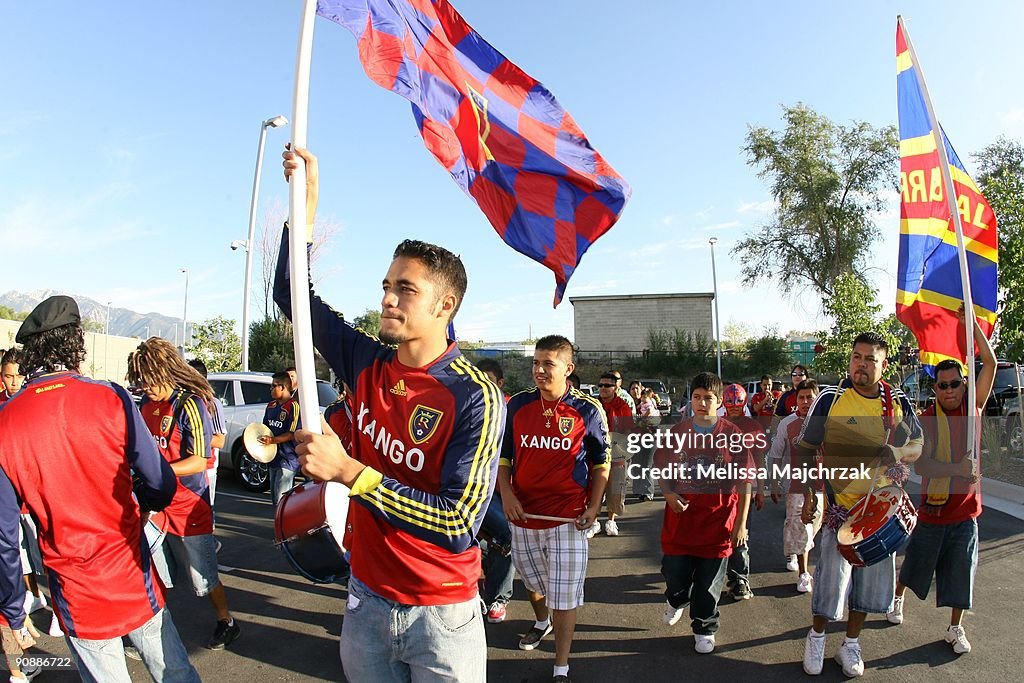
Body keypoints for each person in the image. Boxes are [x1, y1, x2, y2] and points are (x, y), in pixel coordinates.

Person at [277, 146, 505, 682]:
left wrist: (349, 473)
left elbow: (456, 523)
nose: (388, 299)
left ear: (444, 306)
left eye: (406, 289)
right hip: (366, 601)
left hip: (442, 615)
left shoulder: (474, 396)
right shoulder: (365, 361)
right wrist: (304, 208)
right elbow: (293, 297)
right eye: (386, 286)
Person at [0, 295, 199, 682]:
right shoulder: (111, 397)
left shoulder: (5, 421)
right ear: (77, 343)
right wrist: (144, 503)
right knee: (174, 672)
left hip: (73, 586)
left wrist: (11, 606)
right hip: (129, 570)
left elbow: (5, 537)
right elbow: (160, 482)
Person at [796, 332, 923, 677]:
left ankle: (850, 644)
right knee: (829, 582)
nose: (861, 365)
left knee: (868, 585)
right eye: (857, 357)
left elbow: (919, 444)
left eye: (870, 359)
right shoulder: (830, 399)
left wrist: (897, 452)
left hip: (878, 512)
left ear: (884, 365)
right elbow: (805, 448)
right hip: (840, 508)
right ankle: (818, 637)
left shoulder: (895, 399)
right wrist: (810, 494)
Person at [498, 335, 609, 683]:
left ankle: (561, 665)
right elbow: (503, 459)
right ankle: (540, 621)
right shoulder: (516, 405)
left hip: (567, 519)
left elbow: (601, 463)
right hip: (524, 516)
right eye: (535, 363)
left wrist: (594, 506)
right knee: (534, 583)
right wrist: (507, 495)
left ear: (568, 368)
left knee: (563, 593)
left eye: (548, 364)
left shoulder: (587, 410)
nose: (539, 370)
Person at [886, 306, 996, 655]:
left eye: (955, 384)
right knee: (916, 566)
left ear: (964, 385)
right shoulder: (926, 419)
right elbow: (923, 467)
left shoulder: (971, 409)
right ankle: (897, 598)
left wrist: (971, 328)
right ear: (935, 387)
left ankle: (955, 627)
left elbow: (990, 364)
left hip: (965, 514)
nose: (949, 390)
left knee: (962, 573)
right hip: (933, 513)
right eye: (943, 385)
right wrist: (958, 471)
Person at [127, 338, 241, 652]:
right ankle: (152, 633)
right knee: (150, 571)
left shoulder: (189, 403)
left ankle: (226, 621)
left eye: (150, 379)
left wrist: (157, 469)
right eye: (141, 380)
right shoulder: (144, 405)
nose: (146, 386)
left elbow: (199, 460)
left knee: (203, 579)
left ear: (166, 371)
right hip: (156, 507)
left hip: (190, 507)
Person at [654, 372, 752, 654]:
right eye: (696, 397)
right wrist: (670, 494)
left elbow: (745, 481)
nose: (701, 402)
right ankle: (676, 599)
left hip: (718, 523)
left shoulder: (733, 435)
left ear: (719, 401)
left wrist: (741, 524)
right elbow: (662, 469)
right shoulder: (677, 432)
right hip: (680, 522)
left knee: (709, 583)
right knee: (674, 574)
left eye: (708, 398)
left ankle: (704, 626)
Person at [768, 379, 823, 592]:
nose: (806, 401)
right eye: (802, 397)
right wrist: (773, 484)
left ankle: (794, 546)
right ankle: (804, 573)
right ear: (795, 400)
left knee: (814, 528)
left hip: (822, 485)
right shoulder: (787, 424)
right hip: (796, 485)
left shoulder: (827, 422)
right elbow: (775, 455)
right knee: (803, 529)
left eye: (810, 397)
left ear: (817, 399)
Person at [473, 359, 515, 623]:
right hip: (471, 490)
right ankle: (473, 590)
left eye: (487, 382)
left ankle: (497, 598)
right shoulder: (466, 407)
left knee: (511, 533)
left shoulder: (513, 410)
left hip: (502, 491)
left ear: (500, 384)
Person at [720, 383, 765, 601]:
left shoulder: (753, 426)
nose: (735, 407)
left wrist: (761, 489)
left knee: (741, 534)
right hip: (718, 490)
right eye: (730, 403)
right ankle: (715, 574)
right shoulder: (716, 425)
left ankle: (740, 579)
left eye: (739, 403)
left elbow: (759, 459)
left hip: (743, 489)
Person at [592, 371, 633, 538]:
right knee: (594, 488)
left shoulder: (622, 407)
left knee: (616, 488)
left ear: (616, 387)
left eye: (607, 385)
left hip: (617, 452)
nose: (603, 388)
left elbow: (627, 431)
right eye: (600, 385)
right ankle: (593, 522)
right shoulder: (594, 404)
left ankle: (611, 520)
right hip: (595, 454)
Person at [187, 359, 227, 511]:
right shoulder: (184, 401)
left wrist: (193, 437)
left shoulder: (212, 403)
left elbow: (220, 441)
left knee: (204, 511)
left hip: (206, 468)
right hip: (187, 467)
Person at [260, 370, 301, 505]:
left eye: (274, 386)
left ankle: (284, 526)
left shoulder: (293, 406)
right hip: (272, 458)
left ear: (283, 387)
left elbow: (291, 433)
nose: (271, 389)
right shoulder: (271, 406)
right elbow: (264, 428)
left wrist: (272, 440)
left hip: (288, 459)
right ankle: (278, 525)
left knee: (281, 499)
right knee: (274, 500)